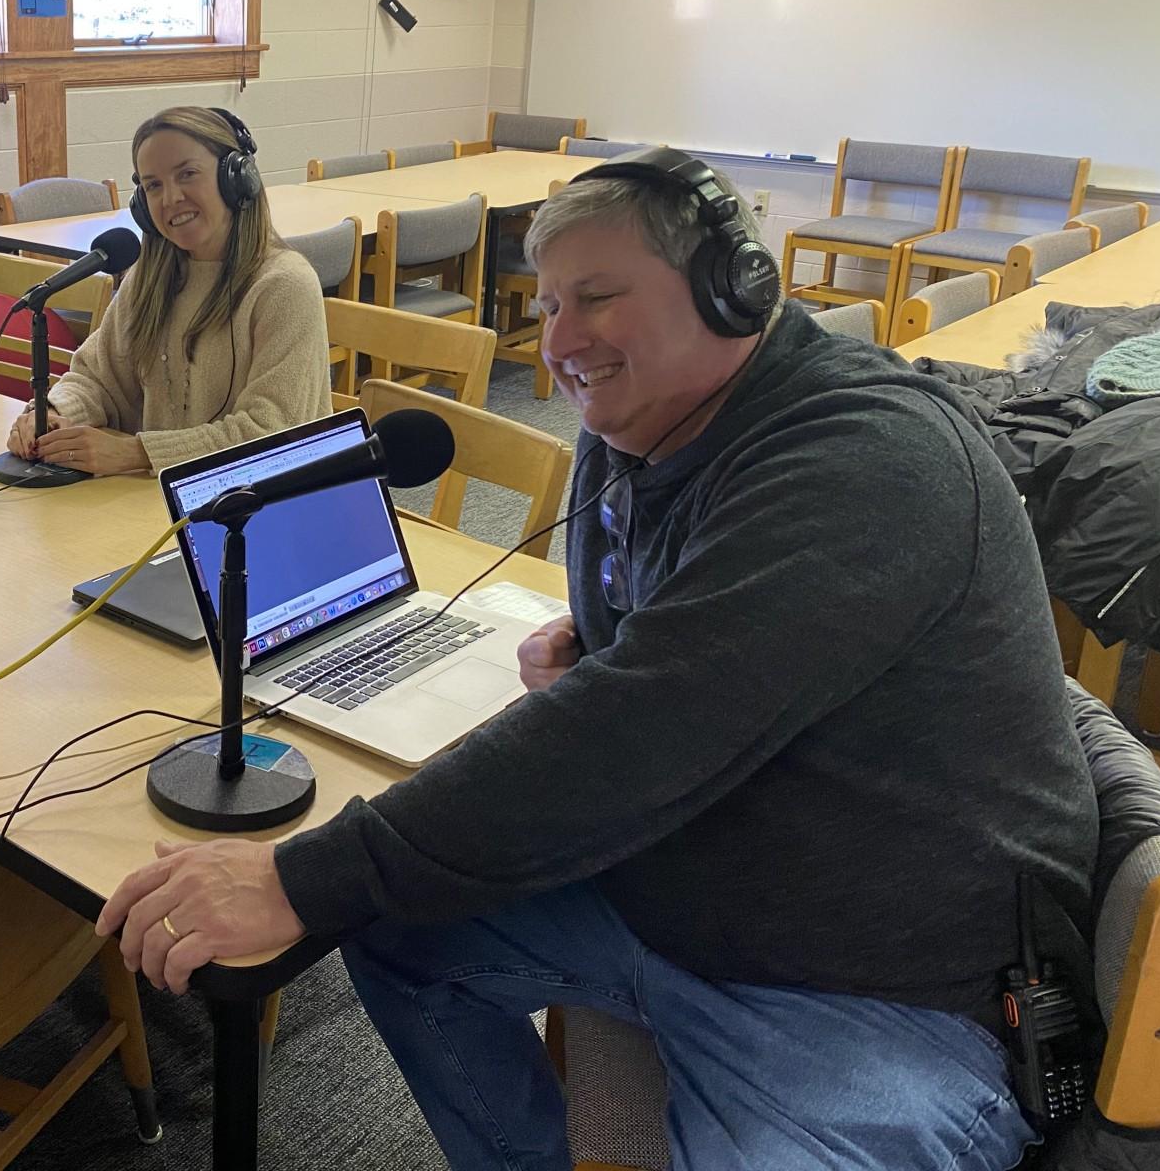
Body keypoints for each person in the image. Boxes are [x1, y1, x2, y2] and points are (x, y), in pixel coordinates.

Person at [98, 149, 1097, 1169]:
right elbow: (667, 689)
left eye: (598, 299)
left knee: (357, 887)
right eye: (550, 303)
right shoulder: (651, 428)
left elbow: (633, 736)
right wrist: (621, 652)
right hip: (688, 892)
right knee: (400, 926)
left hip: (879, 989)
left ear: (732, 292)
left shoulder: (866, 463)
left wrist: (299, 880)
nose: (561, 343)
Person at [3, 106, 332, 476]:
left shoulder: (283, 286)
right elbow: (97, 376)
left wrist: (135, 453)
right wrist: (52, 414)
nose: (170, 198)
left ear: (236, 178)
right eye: (153, 185)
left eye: (187, 174)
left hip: (262, 507)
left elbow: (272, 434)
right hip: (160, 499)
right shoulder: (150, 277)